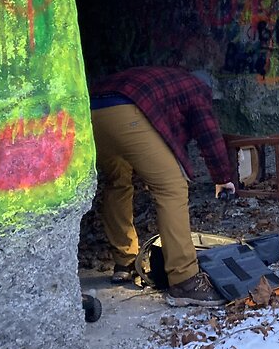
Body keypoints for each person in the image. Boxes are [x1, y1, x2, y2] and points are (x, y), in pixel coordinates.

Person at [89, 66, 236, 307]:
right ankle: (185, 280)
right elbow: (208, 134)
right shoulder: (197, 88)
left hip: (90, 113)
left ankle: (124, 261)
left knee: (118, 182)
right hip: (127, 112)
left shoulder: (164, 82)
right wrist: (222, 177)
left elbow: (167, 138)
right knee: (172, 188)